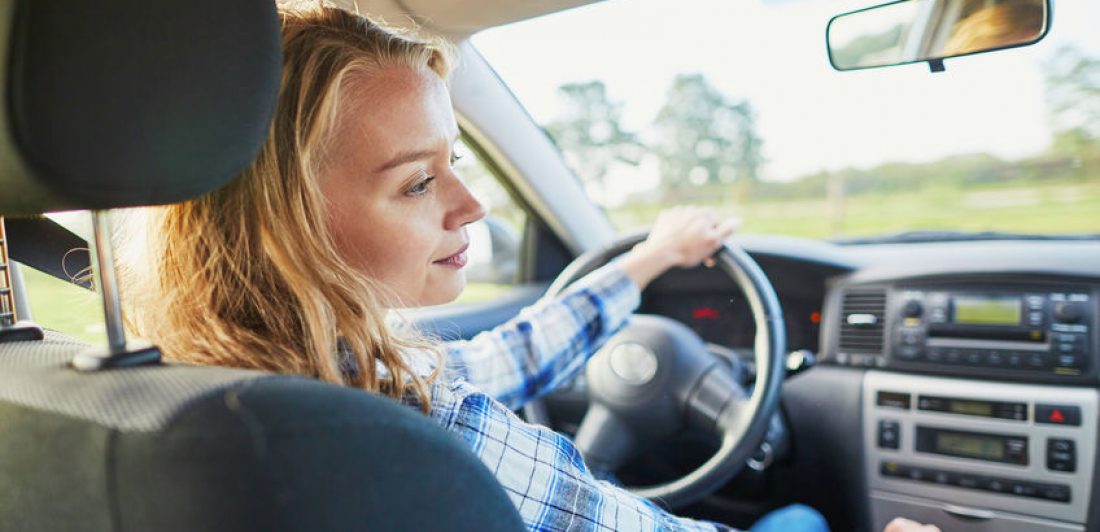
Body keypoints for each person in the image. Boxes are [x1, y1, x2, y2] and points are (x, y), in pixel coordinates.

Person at [119, 5, 933, 531]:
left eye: (457, 162)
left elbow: (506, 356)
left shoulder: (185, 390)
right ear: (284, 225)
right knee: (798, 520)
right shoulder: (423, 433)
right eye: (417, 180)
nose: (473, 205)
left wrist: (645, 262)